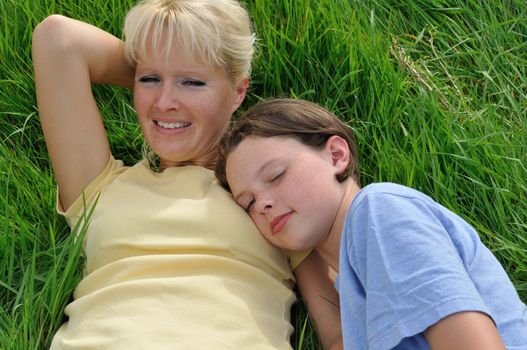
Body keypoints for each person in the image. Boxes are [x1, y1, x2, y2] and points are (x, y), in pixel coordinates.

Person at [32, 1, 342, 349]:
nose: (165, 102)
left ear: (239, 91)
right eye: (149, 79)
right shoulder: (100, 187)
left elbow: (338, 333)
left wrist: (181, 74)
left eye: (192, 82)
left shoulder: (270, 199)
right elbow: (58, 40)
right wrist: (170, 67)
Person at [215, 98, 527, 350]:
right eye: (249, 203)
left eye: (276, 175)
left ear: (337, 155)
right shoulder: (355, 290)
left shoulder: (378, 212)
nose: (264, 203)